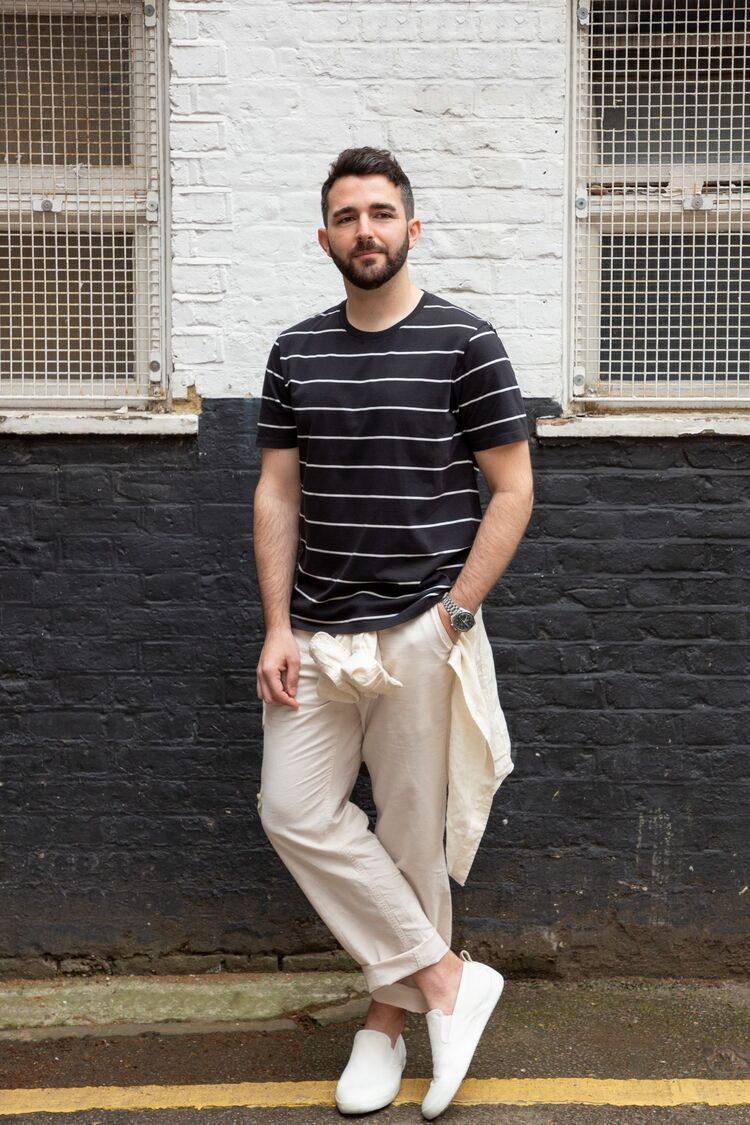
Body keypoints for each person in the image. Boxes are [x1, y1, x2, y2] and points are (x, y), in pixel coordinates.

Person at [253, 147, 533, 1120]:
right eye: (345, 215)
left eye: (381, 213)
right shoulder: (296, 353)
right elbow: (277, 489)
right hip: (318, 638)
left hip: (420, 626)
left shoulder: (467, 343)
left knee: (413, 838)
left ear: (412, 229)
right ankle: (449, 980)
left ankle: (384, 1023)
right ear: (323, 235)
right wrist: (276, 626)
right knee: (293, 809)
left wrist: (452, 616)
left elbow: (513, 488)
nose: (363, 230)